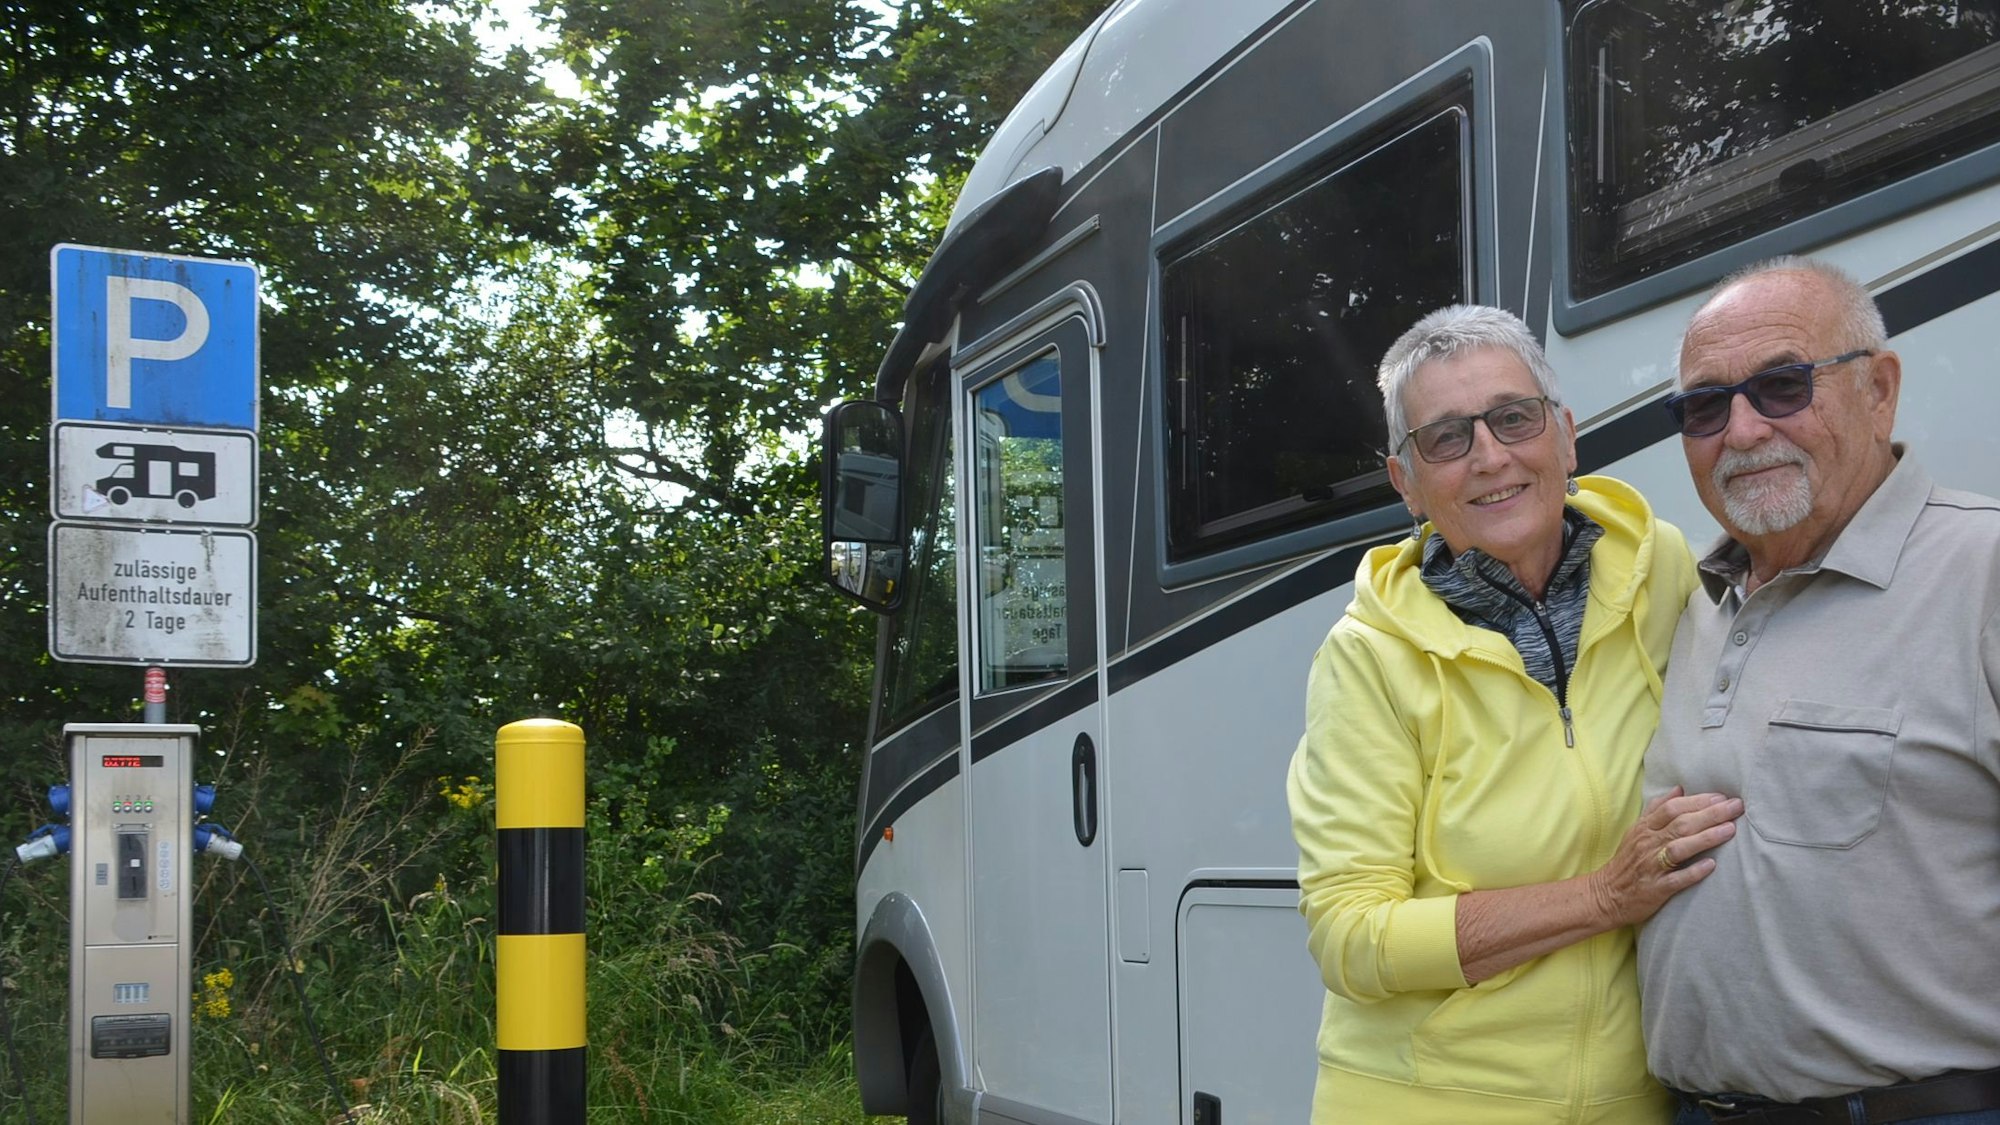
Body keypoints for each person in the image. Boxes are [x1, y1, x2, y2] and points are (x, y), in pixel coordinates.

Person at [1288, 304, 1743, 1123]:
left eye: (1512, 417)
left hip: (1629, 1103)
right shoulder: (1367, 656)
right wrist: (1602, 897)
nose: (1490, 455)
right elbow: (1349, 934)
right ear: (1408, 483)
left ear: (1565, 436)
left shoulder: (1661, 567)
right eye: (1446, 438)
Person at [1640, 257, 2000, 1124]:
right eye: (1704, 405)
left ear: (1879, 389)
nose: (1743, 430)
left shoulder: (1983, 571)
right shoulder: (1681, 603)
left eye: (1781, 385)